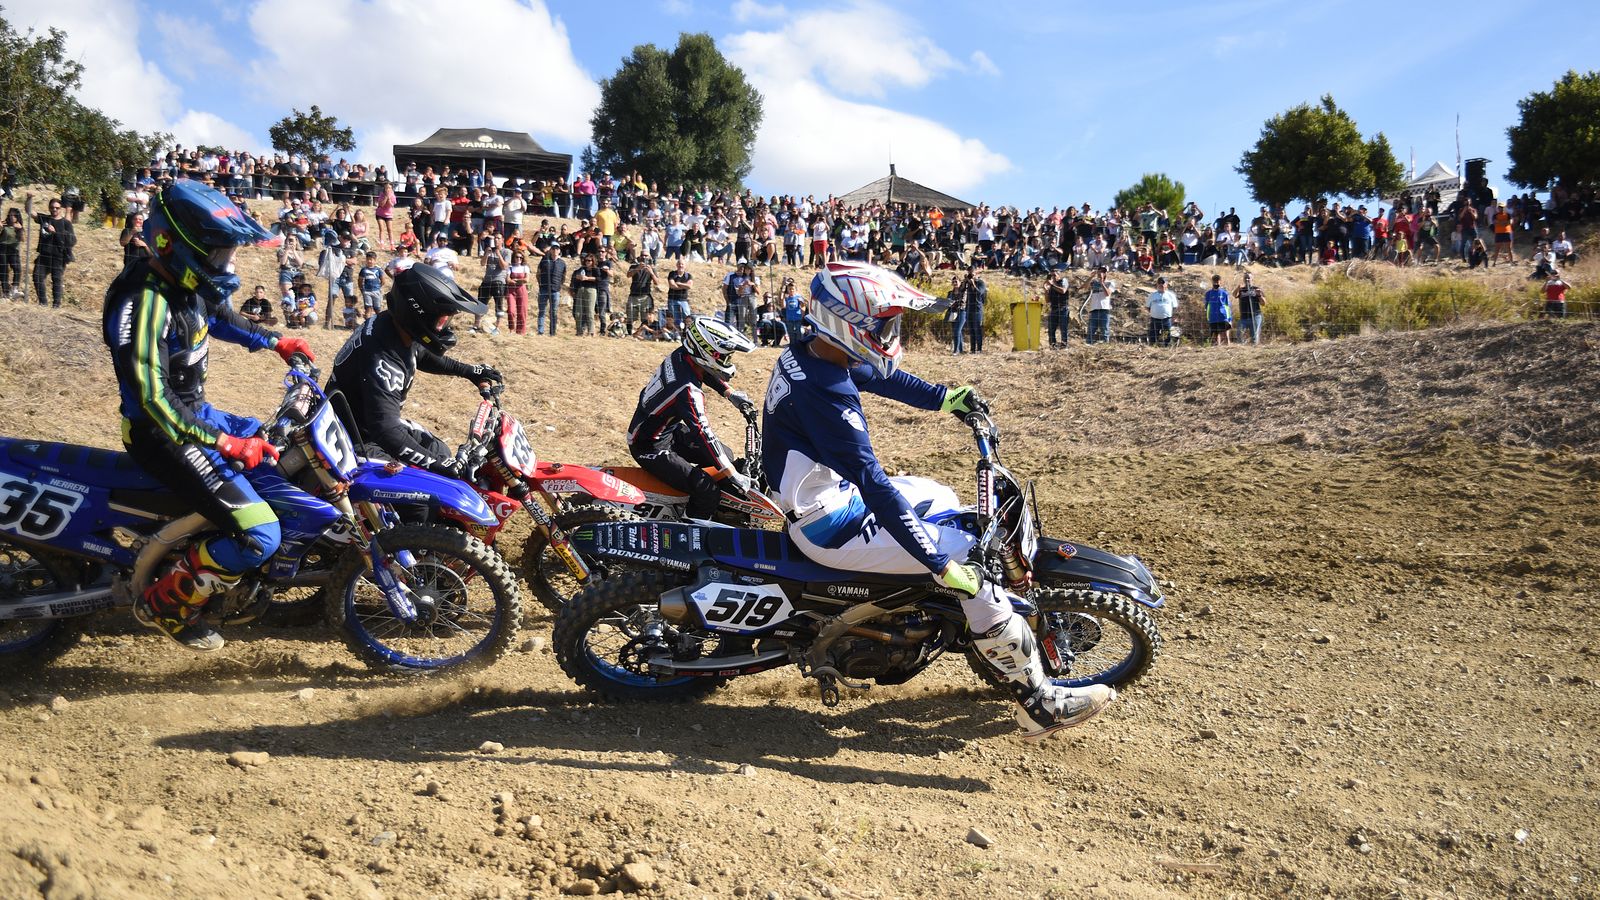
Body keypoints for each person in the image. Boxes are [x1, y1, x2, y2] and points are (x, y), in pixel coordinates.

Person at [761, 261, 1115, 737]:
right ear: (847, 323)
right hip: (831, 526)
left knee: (939, 493)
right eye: (883, 324)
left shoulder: (812, 351)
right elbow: (875, 484)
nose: (890, 333)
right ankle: (1039, 703)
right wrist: (939, 563)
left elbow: (877, 376)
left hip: (827, 499)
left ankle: (954, 616)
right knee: (974, 567)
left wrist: (946, 398)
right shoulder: (825, 394)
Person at [102, 180, 313, 651]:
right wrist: (225, 442)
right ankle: (167, 605)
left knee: (281, 452)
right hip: (163, 435)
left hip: (196, 416)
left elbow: (219, 316)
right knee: (260, 535)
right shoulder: (144, 302)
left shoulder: (186, 283)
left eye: (227, 253)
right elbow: (153, 400)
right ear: (171, 244)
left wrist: (276, 340)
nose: (225, 263)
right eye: (217, 253)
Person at [326, 264, 501, 477]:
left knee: (439, 450)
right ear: (419, 313)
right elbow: (386, 430)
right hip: (353, 440)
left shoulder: (393, 326)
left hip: (369, 425)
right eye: (442, 319)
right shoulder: (382, 359)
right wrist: (439, 466)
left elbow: (421, 354)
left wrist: (469, 371)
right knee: (428, 490)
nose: (445, 327)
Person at [627, 316, 756, 521]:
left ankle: (709, 504)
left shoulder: (682, 355)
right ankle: (687, 528)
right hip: (648, 446)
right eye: (724, 357)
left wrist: (729, 393)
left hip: (665, 431)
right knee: (707, 491)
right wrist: (732, 474)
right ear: (707, 351)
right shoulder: (687, 391)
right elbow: (704, 433)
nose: (728, 362)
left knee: (726, 455)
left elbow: (704, 370)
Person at [32, 196, 76, 307]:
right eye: (52, 207)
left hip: (58, 256)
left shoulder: (66, 223)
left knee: (56, 280)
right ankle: (43, 303)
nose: (54, 209)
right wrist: (29, 199)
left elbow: (72, 241)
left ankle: (56, 304)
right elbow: (30, 212)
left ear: (61, 208)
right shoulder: (45, 219)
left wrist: (56, 232)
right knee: (37, 277)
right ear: (49, 208)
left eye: (57, 208)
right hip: (44, 255)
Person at [626, 255, 659, 334]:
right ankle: (630, 333)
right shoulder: (634, 266)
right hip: (633, 295)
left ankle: (642, 333)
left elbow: (657, 282)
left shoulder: (652, 268)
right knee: (630, 316)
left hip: (645, 296)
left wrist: (651, 272)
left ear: (649, 257)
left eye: (646, 255)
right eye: (642, 255)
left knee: (645, 317)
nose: (644, 257)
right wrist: (638, 268)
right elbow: (628, 275)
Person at [1086, 266, 1115, 344]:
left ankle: (1105, 345)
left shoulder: (1110, 283)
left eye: (1103, 272)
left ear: (1106, 273)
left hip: (1104, 310)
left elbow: (1107, 293)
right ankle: (1089, 345)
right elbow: (1085, 287)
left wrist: (1102, 283)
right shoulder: (1094, 282)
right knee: (1091, 331)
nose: (1101, 273)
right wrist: (1091, 277)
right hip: (1094, 310)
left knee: (1104, 330)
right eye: (1100, 271)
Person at [1235, 272, 1265, 345]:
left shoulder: (1257, 289)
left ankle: (1254, 348)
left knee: (1254, 336)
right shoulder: (1241, 290)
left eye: (1249, 278)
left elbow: (1263, 303)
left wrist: (1259, 295)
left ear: (1252, 279)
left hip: (1255, 316)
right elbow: (1234, 295)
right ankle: (1241, 348)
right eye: (1245, 278)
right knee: (1239, 333)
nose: (1247, 279)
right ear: (1243, 279)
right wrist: (1238, 288)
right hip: (1243, 317)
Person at [1145, 276, 1177, 347]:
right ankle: (1152, 347)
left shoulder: (1171, 295)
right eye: (1159, 283)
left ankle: (1166, 347)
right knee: (1153, 334)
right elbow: (1147, 307)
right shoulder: (1152, 295)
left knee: (1166, 334)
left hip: (1166, 319)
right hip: (1155, 319)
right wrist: (1154, 313)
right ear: (1157, 284)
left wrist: (1173, 317)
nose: (1161, 285)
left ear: (1166, 284)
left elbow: (1175, 307)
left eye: (1163, 283)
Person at [666, 257, 693, 334]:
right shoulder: (672, 274)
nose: (680, 265)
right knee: (675, 318)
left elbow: (690, 286)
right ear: (676, 265)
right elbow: (672, 285)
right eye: (679, 264)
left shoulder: (688, 276)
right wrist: (684, 286)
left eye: (682, 264)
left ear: (685, 266)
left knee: (687, 317)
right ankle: (678, 333)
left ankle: (687, 332)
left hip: (683, 300)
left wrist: (679, 283)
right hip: (672, 299)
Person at [1044, 271, 1071, 349]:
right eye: (1051, 275)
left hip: (1063, 308)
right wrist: (1046, 290)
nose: (1053, 277)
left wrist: (1052, 285)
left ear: (1059, 275)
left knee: (1063, 328)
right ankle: (1053, 346)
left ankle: (1064, 346)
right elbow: (1047, 300)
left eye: (1054, 275)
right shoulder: (1051, 286)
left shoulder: (1063, 281)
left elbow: (1063, 291)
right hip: (1054, 309)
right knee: (1051, 329)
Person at [1, 208, 24, 297]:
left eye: (14, 215)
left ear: (17, 217)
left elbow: (22, 239)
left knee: (17, 269)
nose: (12, 217)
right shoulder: (4, 224)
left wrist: (20, 229)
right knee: (4, 270)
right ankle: (5, 292)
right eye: (10, 215)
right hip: (3, 248)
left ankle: (14, 289)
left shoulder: (19, 226)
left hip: (14, 249)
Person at [1204, 274, 1232, 346]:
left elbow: (1228, 306)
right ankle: (1218, 348)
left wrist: (1229, 318)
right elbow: (1206, 306)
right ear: (1212, 282)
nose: (1216, 283)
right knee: (1216, 335)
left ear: (1220, 282)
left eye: (1217, 281)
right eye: (1214, 281)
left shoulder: (1224, 293)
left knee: (1226, 334)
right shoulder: (1208, 293)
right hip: (1213, 317)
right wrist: (1208, 316)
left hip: (1223, 316)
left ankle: (1228, 347)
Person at [781, 277, 807, 346]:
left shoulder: (798, 297)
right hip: (789, 318)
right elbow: (783, 306)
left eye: (793, 289)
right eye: (790, 289)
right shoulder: (787, 298)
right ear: (788, 290)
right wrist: (783, 292)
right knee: (791, 332)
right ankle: (792, 344)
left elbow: (803, 306)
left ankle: (799, 344)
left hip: (797, 318)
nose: (791, 290)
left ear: (795, 290)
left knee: (798, 332)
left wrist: (802, 303)